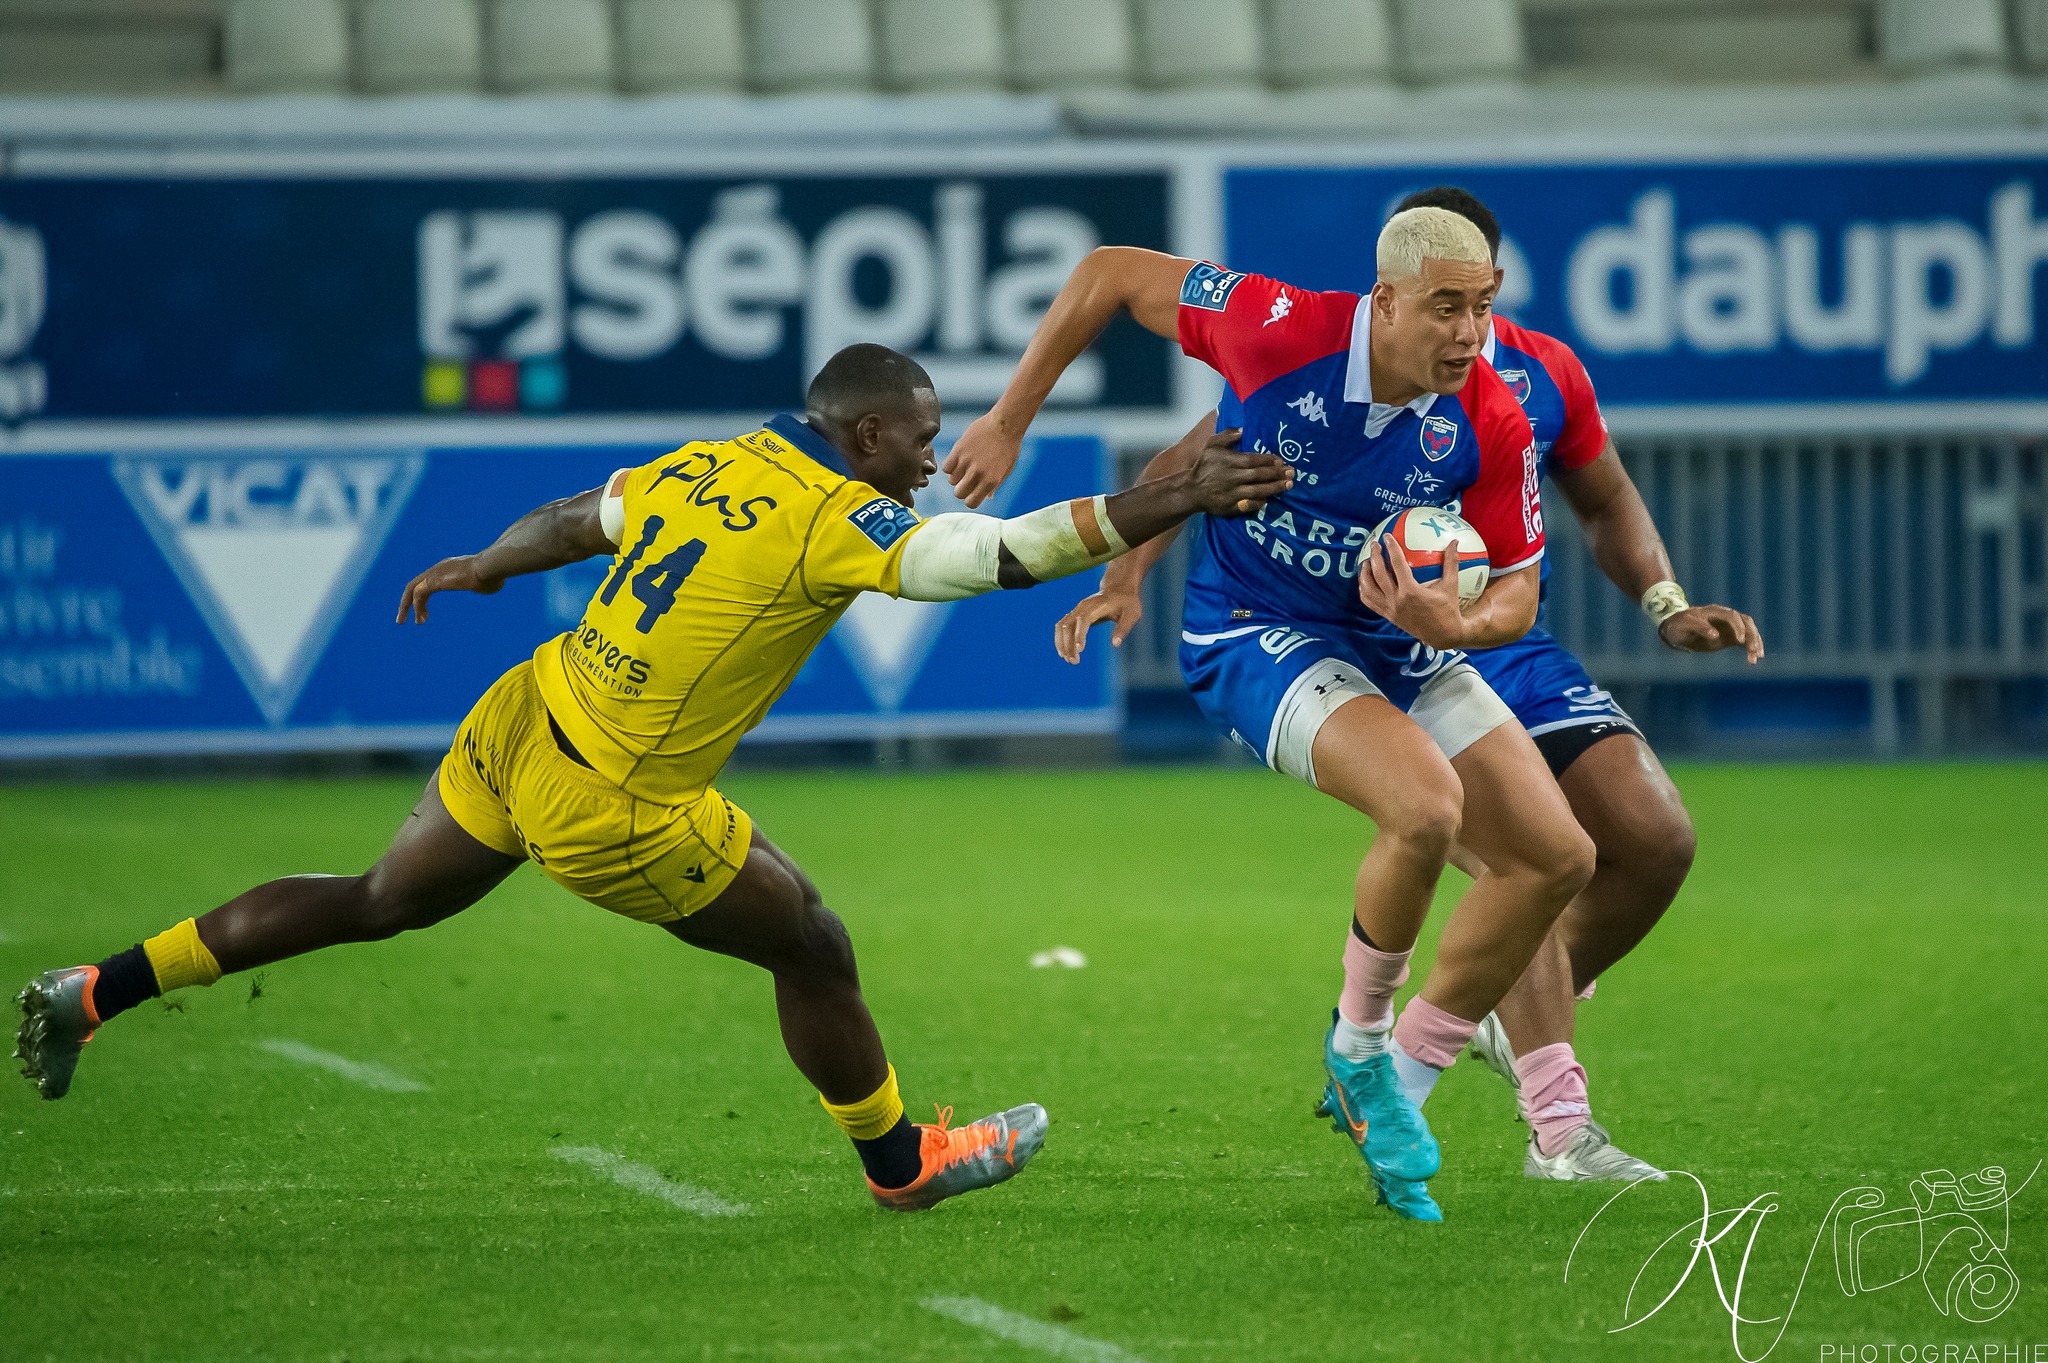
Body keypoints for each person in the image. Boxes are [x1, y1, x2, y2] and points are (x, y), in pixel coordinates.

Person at [13, 343, 1291, 1214]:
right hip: (615, 802)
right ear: (858, 435)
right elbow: (1002, 556)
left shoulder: (708, 459)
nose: (926, 460)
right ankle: (901, 1161)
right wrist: (1169, 493)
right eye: (915, 441)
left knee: (375, 898)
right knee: (814, 945)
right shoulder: (832, 516)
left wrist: (486, 566)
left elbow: (577, 516)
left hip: (530, 710)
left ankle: (94, 989)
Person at [945, 209, 1598, 1222]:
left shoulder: (1493, 418)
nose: (1470, 334)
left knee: (1554, 857)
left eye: (1482, 305)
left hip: (1403, 640)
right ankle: (1360, 1051)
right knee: (1423, 807)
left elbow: (1516, 589)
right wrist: (1008, 421)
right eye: (1444, 308)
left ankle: (1410, 1068)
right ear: (1382, 301)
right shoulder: (1273, 325)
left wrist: (1453, 620)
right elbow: (1112, 271)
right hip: (1256, 632)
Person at [1386, 185, 1761, 1180]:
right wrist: (1129, 570)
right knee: (1536, 865)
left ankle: (1498, 999)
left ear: (1490, 280)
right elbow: (1210, 460)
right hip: (1397, 664)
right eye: (1428, 289)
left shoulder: (1542, 372)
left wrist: (1665, 600)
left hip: (1513, 648)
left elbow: (1604, 497)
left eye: (1467, 290)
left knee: (1651, 837)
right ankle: (1560, 1133)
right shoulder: (1338, 371)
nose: (1451, 311)